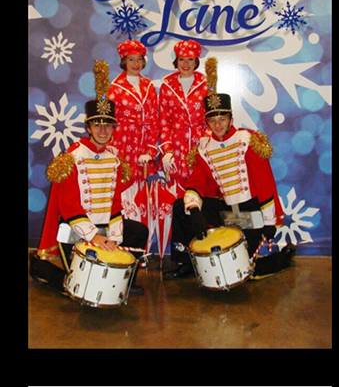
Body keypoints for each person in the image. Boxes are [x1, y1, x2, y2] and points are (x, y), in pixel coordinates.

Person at [29, 60, 149, 295]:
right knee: (80, 288)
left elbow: (114, 202)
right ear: (89, 127)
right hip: (76, 229)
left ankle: (125, 280)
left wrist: (113, 236)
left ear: (114, 129)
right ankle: (42, 269)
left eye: (108, 125)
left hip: (105, 224)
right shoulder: (71, 157)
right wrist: (94, 236)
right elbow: (68, 205)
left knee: (138, 231)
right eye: (97, 125)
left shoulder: (115, 158)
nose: (102, 130)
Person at [163, 77, 296, 281]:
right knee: (181, 206)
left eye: (222, 119)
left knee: (243, 270)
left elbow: (264, 182)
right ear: (207, 122)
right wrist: (195, 210)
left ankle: (281, 259)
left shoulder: (248, 139)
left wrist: (269, 220)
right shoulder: (204, 147)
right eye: (212, 120)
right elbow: (197, 181)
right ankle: (186, 262)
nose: (217, 125)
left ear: (231, 119)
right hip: (225, 210)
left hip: (251, 212)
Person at [107, 40, 159, 221]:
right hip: (123, 145)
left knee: (144, 194)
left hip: (144, 146)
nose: (136, 64)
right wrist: (110, 146)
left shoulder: (149, 86)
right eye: (131, 60)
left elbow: (154, 120)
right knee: (124, 189)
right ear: (124, 62)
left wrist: (151, 150)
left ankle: (143, 236)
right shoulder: (115, 87)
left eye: (139, 59)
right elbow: (109, 121)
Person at [159, 40, 209, 194]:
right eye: (181, 59)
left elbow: (212, 115)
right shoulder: (167, 86)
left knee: (200, 187)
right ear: (176, 61)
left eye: (190, 59)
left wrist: (208, 136)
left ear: (196, 61)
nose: (185, 63)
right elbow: (164, 120)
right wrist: (167, 150)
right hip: (176, 145)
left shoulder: (206, 84)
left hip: (200, 144)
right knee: (176, 190)